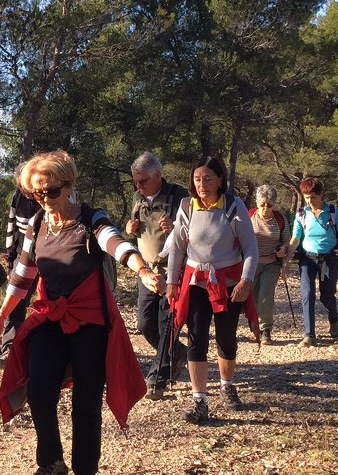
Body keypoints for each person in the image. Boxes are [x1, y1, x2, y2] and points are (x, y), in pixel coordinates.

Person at [0, 150, 158, 475]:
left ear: (69, 186)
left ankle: (85, 473)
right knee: (39, 389)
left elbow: (116, 243)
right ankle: (51, 462)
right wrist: (2, 316)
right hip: (50, 315)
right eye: (37, 193)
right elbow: (23, 274)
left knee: (86, 399)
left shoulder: (90, 219)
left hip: (90, 320)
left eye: (51, 191)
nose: (44, 199)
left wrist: (141, 268)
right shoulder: (36, 223)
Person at [165, 156, 257, 424]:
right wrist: (172, 282)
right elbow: (178, 248)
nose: (202, 184)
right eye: (197, 178)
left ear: (220, 180)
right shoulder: (187, 206)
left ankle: (227, 385)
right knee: (196, 338)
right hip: (196, 283)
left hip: (228, 282)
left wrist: (246, 281)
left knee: (226, 338)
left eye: (208, 178)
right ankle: (199, 400)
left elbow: (250, 248)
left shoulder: (233, 206)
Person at [124, 152, 189, 399]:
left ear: (158, 176)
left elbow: (195, 229)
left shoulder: (179, 195)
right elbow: (135, 229)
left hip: (174, 269)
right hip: (147, 271)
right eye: (135, 181)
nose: (138, 186)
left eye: (142, 181)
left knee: (167, 324)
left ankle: (157, 379)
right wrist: (130, 229)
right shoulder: (137, 198)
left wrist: (176, 228)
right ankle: (177, 354)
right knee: (145, 324)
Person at [282, 177, 338, 347]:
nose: (310, 201)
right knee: (307, 294)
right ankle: (309, 334)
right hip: (307, 258)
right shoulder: (301, 214)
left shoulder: (334, 213)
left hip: (329, 259)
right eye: (306, 197)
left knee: (327, 295)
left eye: (313, 197)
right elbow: (295, 239)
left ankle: (334, 320)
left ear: (321, 194)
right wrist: (285, 263)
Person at [0, 163, 41, 366]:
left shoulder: (47, 196)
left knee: (44, 303)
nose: (23, 189)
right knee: (15, 300)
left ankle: (42, 352)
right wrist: (10, 259)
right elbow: (11, 226)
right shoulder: (17, 196)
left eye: (25, 185)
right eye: (20, 185)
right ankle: (9, 350)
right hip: (23, 248)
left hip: (48, 251)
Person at [250, 184, 290, 345]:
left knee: (266, 297)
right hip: (251, 264)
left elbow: (286, 239)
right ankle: (254, 325)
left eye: (269, 205)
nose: (266, 208)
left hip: (271, 264)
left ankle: (265, 330)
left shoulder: (280, 219)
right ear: (257, 202)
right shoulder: (249, 217)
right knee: (251, 297)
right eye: (262, 204)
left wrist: (284, 249)